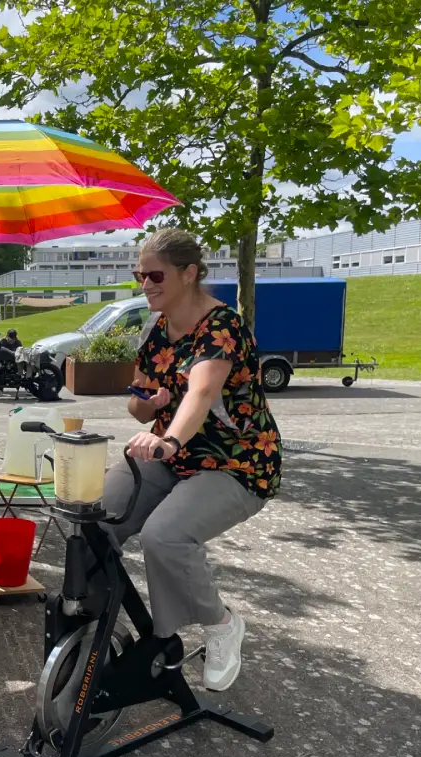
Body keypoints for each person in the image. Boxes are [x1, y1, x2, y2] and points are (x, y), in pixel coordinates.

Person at [104, 228, 282, 692]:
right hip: (170, 453)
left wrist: (170, 440)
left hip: (235, 462)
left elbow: (202, 391)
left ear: (189, 274)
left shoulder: (222, 326)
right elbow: (138, 403)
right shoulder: (155, 329)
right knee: (96, 519)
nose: (145, 283)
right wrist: (150, 402)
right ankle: (96, 624)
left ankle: (220, 624)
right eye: (138, 275)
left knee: (166, 536)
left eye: (155, 274)